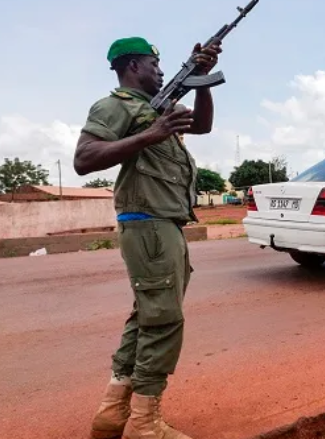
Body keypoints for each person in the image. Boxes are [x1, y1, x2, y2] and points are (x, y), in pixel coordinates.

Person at [74, 36, 222, 439]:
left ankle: (113, 413)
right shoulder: (115, 106)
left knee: (148, 316)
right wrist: (148, 135)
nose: (160, 71)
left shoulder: (156, 108)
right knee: (164, 321)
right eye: (154, 65)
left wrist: (203, 79)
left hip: (163, 224)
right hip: (149, 223)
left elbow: (204, 125)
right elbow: (84, 159)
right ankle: (144, 423)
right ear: (133, 67)